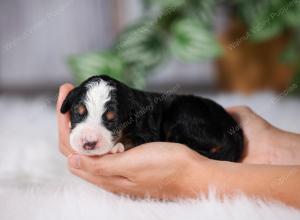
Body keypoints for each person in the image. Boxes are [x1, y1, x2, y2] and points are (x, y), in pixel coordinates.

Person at [57, 84, 300, 208]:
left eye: (110, 122)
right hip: (223, 132)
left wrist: (195, 176)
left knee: (179, 117)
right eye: (79, 116)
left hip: (209, 126)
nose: (88, 137)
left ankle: (209, 153)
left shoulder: (139, 113)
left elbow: (147, 134)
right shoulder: (130, 108)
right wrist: (269, 146)